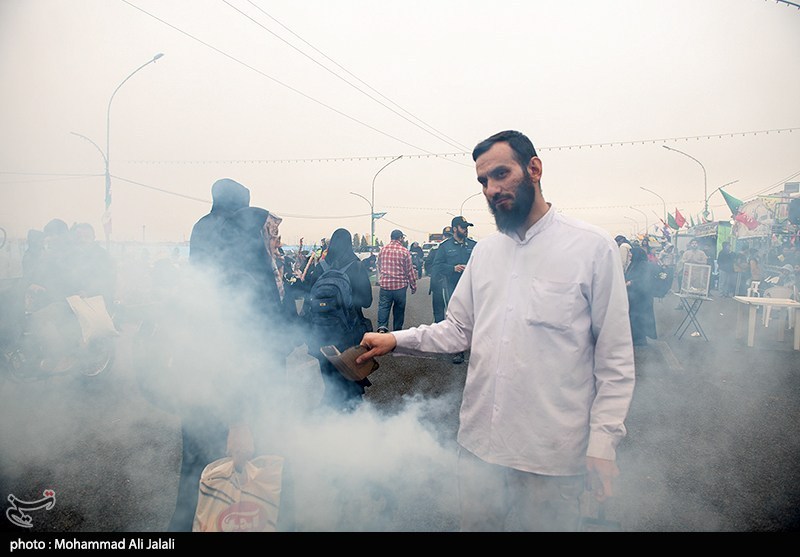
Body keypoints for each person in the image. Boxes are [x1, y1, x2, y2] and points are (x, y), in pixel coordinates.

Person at [357, 130, 635, 532]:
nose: (492, 188)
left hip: (551, 459)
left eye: (501, 174)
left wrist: (603, 445)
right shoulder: (485, 253)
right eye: (483, 181)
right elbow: (457, 331)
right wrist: (395, 340)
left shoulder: (592, 248)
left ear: (534, 169)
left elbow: (615, 359)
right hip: (479, 449)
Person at [304, 228, 374, 411]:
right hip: (348, 336)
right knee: (351, 381)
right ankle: (351, 423)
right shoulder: (356, 266)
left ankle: (330, 423)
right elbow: (367, 301)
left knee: (331, 383)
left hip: (321, 336)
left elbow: (308, 299)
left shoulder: (321, 266)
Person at [432, 215, 477, 364]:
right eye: (463, 227)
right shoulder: (444, 247)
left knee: (474, 317)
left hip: (472, 287)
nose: (466, 230)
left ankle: (477, 348)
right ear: (455, 229)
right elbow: (437, 266)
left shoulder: (473, 245)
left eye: (467, 228)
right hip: (453, 287)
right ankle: (458, 351)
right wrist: (453, 268)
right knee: (457, 318)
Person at [188, 178, 251, 273]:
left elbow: (195, 261)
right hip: (230, 281)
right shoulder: (233, 223)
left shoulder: (202, 223)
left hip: (203, 280)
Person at [375, 229, 417, 333]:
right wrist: (413, 285)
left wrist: (384, 276)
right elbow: (409, 270)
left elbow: (379, 265)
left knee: (383, 307)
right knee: (398, 310)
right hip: (400, 287)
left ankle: (382, 327)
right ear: (400, 238)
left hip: (385, 285)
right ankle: (397, 332)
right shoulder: (404, 251)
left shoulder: (383, 250)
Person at [625, 246, 657, 346]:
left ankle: (640, 340)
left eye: (631, 253)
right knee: (634, 316)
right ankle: (635, 337)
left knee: (639, 317)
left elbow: (645, 280)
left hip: (642, 297)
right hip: (634, 296)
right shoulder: (634, 264)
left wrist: (631, 283)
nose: (630, 255)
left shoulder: (643, 265)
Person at [425, 226, 452, 323]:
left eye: (450, 236)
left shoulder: (453, 248)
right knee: (438, 311)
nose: (448, 238)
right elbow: (428, 264)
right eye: (447, 236)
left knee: (451, 312)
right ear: (443, 236)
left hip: (450, 284)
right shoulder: (436, 248)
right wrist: (434, 274)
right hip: (438, 284)